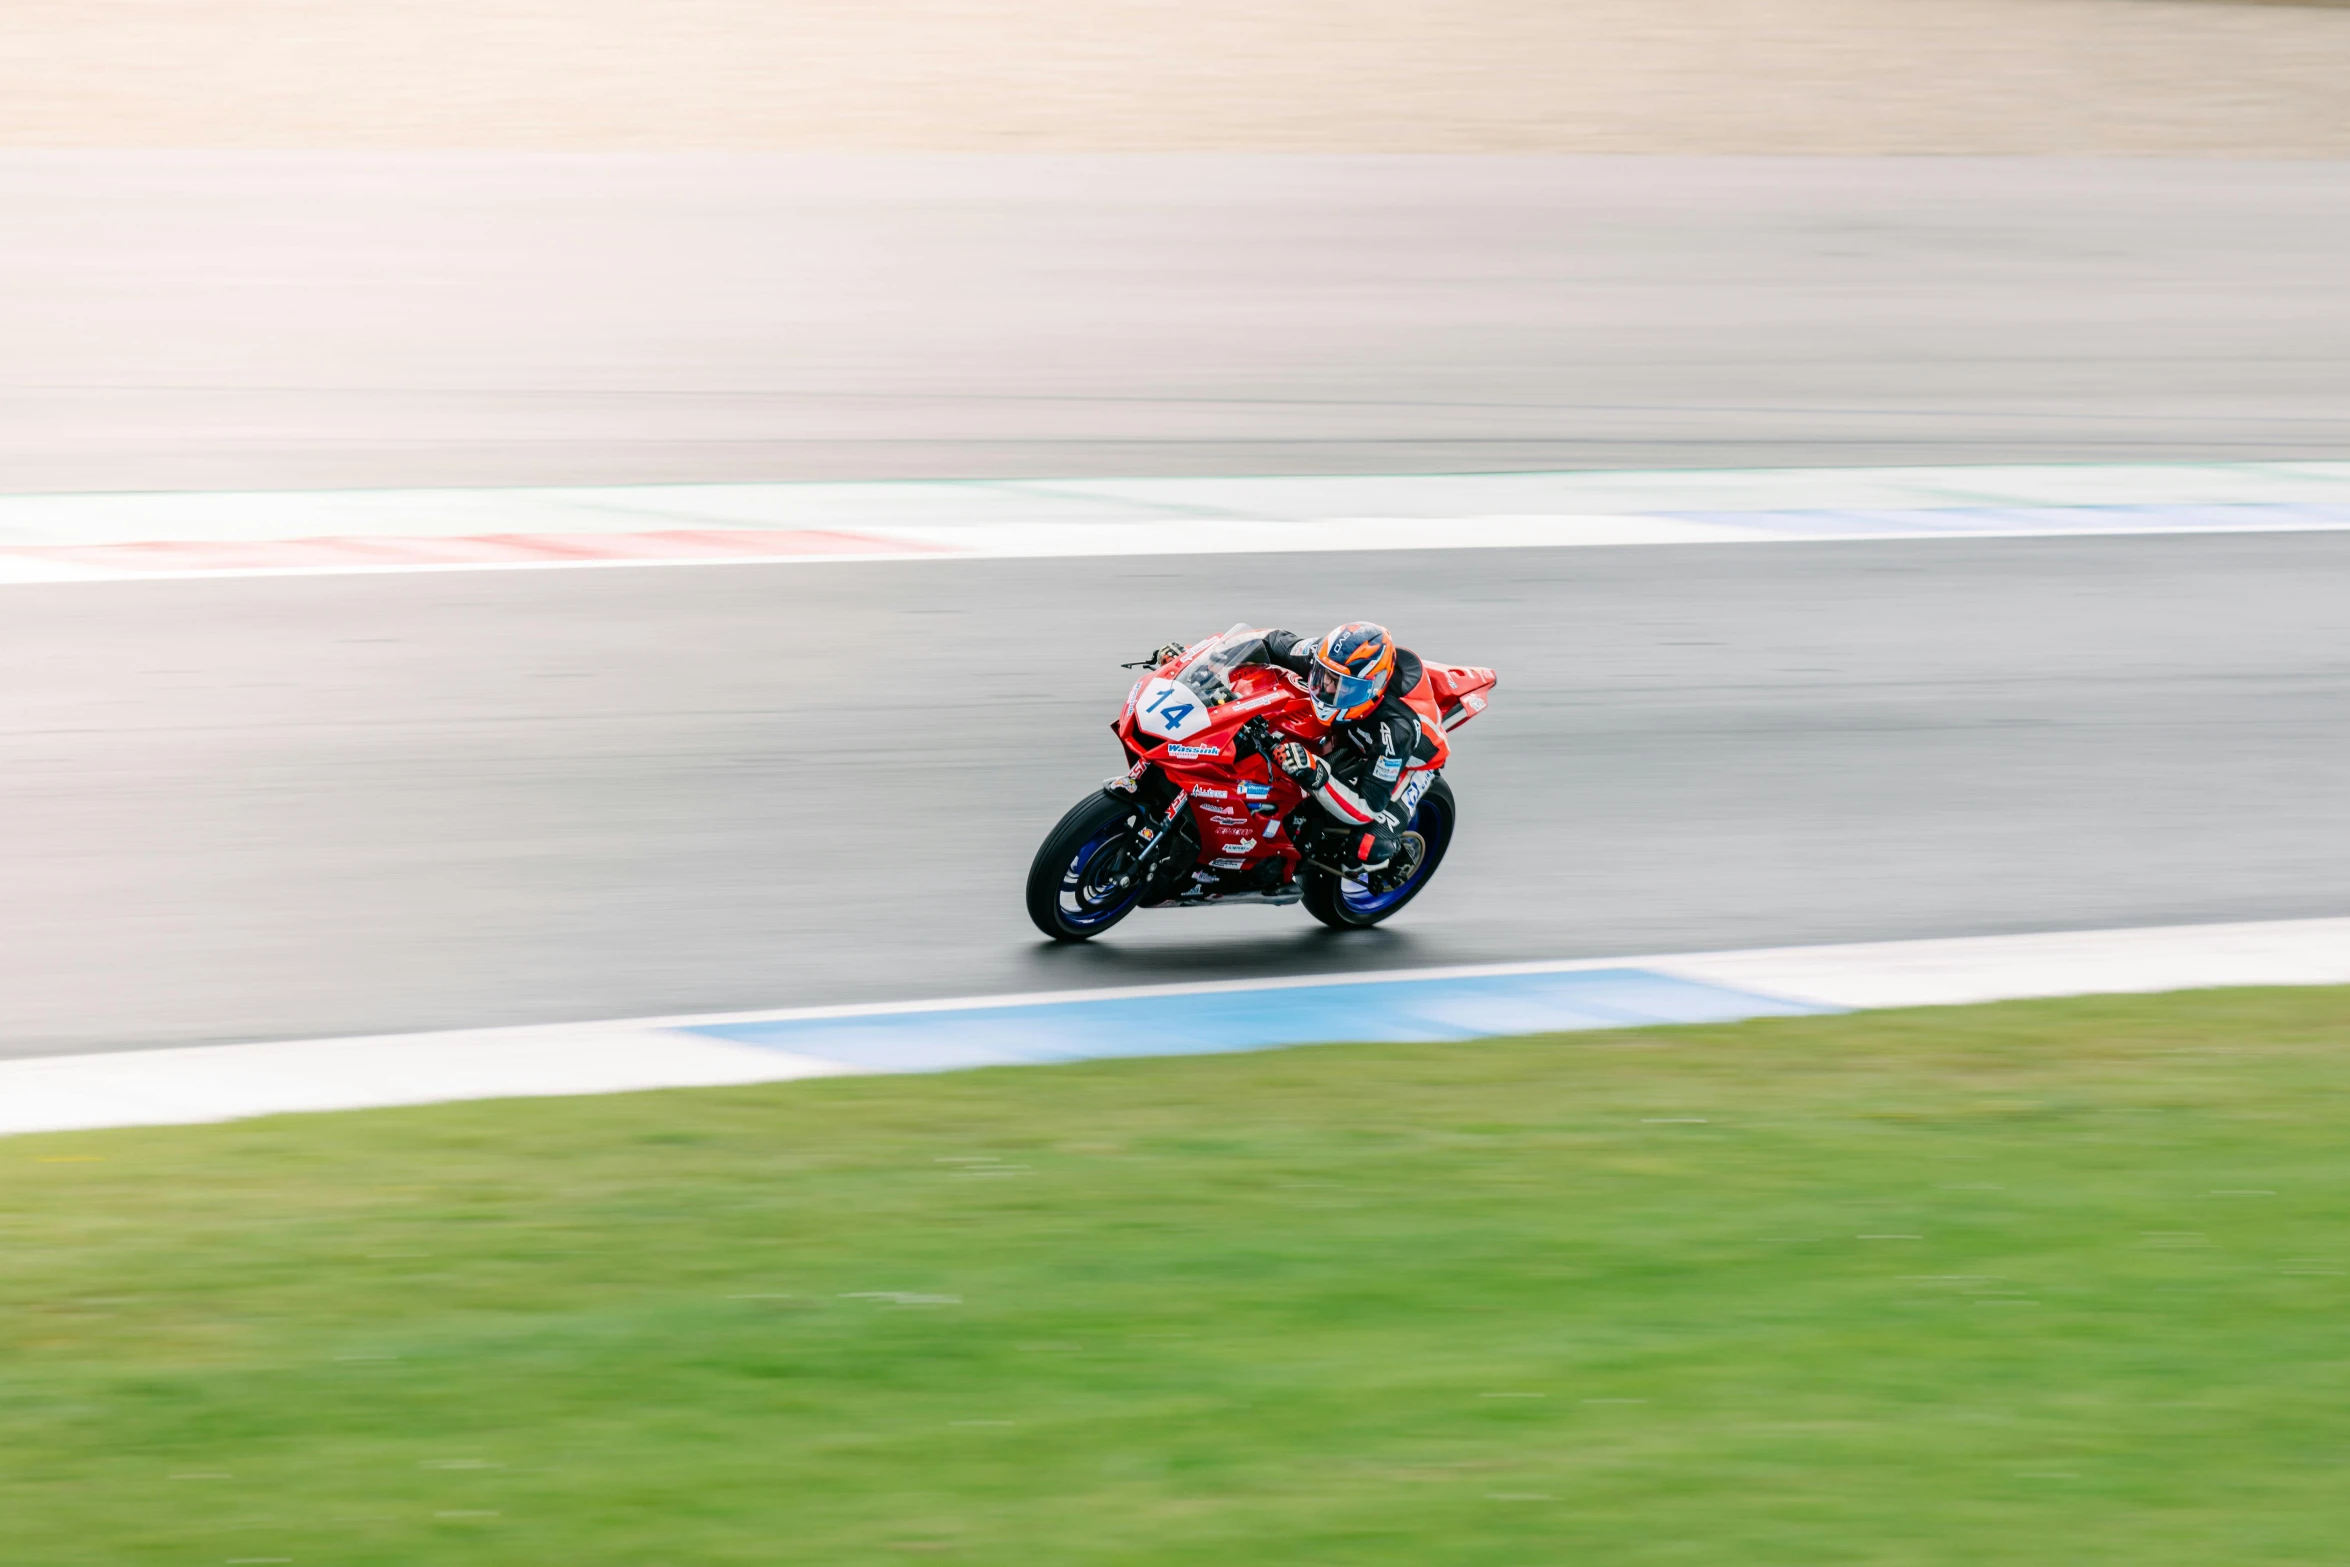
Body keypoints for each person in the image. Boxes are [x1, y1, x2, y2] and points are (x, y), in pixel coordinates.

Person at [1250, 623, 1441, 868]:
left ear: (1372, 688)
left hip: (1412, 763)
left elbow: (1366, 806)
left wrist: (1314, 772)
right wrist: (1204, 657)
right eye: (1326, 677)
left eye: (1343, 686)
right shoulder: (1329, 659)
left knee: (1368, 847)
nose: (1328, 689)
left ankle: (1377, 863)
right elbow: (1270, 640)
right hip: (1356, 730)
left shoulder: (1396, 731)